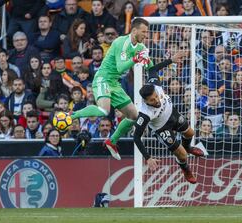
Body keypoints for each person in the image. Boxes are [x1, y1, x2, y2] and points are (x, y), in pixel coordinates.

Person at [71, 17, 181, 160]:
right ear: (134, 30)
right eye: (143, 32)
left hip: (115, 84)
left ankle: (112, 141)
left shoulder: (141, 48)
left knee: (134, 116)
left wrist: (169, 62)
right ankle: (71, 115)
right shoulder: (121, 42)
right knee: (104, 110)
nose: (145, 35)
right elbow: (121, 67)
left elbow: (151, 68)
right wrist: (136, 59)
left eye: (147, 33)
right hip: (103, 78)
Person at [133, 84, 205, 184]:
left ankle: (188, 148)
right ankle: (185, 169)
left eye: (156, 96)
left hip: (172, 115)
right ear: (146, 101)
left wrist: (164, 66)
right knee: (183, 155)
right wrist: (147, 157)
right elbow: (136, 137)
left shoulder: (156, 86)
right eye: (152, 100)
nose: (157, 100)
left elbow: (153, 70)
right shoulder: (144, 114)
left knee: (190, 133)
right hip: (162, 129)